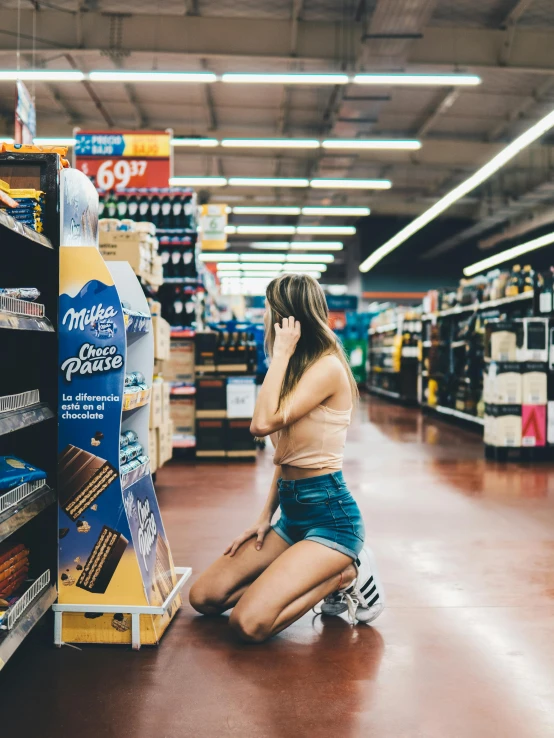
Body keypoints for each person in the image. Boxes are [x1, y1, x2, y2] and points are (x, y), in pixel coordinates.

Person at [189, 274, 385, 642]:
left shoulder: (327, 368)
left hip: (331, 518)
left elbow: (260, 424)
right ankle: (296, 571)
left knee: (248, 624)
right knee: (205, 598)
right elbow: (284, 457)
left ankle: (344, 573)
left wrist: (279, 354)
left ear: (288, 318)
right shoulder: (292, 369)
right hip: (291, 517)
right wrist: (264, 517)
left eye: (269, 309)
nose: (264, 317)